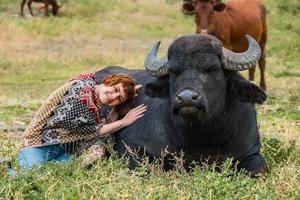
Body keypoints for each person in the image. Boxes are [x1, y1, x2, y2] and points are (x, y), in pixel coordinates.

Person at [18, 72, 147, 170]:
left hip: (66, 149)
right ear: (109, 81)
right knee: (32, 177)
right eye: (116, 90)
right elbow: (95, 131)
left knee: (58, 174)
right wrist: (124, 121)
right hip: (37, 146)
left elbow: (102, 127)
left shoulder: (93, 96)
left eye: (119, 99)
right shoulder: (82, 92)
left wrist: (120, 106)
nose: (113, 96)